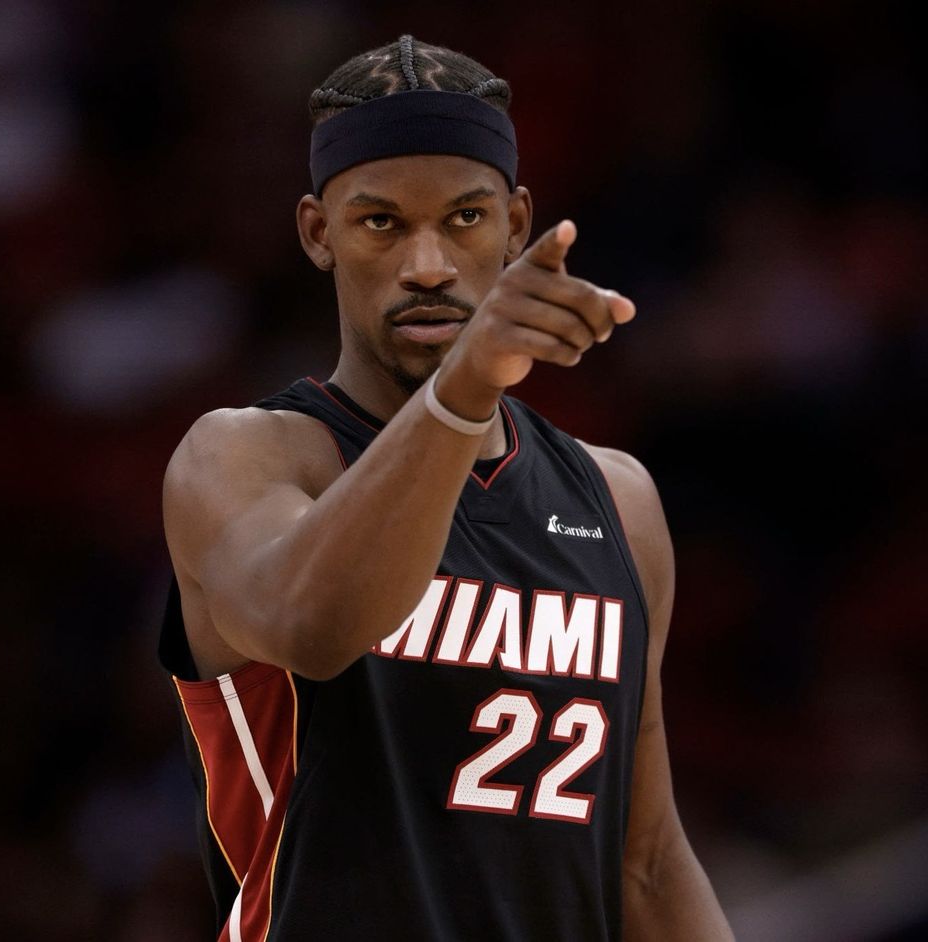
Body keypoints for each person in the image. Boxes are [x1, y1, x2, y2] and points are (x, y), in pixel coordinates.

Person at [160, 35, 733, 942]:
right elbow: (312, 628)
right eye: (381, 223)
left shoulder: (618, 500)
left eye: (465, 218)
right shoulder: (245, 457)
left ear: (517, 223)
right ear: (318, 233)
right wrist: (465, 390)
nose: (427, 265)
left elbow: (648, 863)